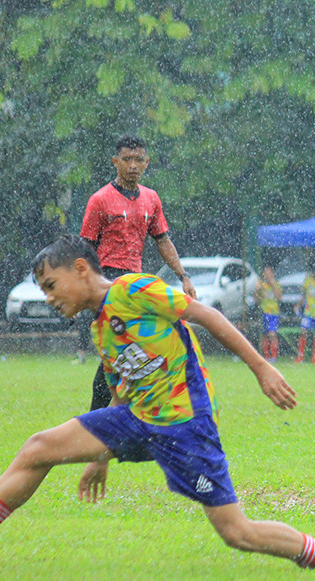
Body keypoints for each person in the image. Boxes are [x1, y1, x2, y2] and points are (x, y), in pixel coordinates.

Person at [0, 235, 315, 572]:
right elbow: (121, 388)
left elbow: (207, 315)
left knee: (237, 533)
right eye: (43, 289)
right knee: (38, 448)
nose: (49, 297)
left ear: (80, 269)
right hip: (136, 420)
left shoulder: (133, 291)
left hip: (185, 425)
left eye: (50, 284)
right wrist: (99, 455)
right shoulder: (100, 326)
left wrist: (261, 368)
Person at [80, 134, 196, 411]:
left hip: (136, 282)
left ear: (146, 163)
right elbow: (85, 250)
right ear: (115, 161)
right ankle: (104, 415)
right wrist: (87, 289)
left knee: (130, 350)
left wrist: (183, 276)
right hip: (107, 280)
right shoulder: (100, 200)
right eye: (127, 159)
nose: (133, 165)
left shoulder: (151, 199)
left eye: (138, 159)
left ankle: (114, 414)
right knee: (121, 351)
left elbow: (163, 240)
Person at [255, 265, 282, 363]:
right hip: (264, 312)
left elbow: (279, 297)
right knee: (264, 334)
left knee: (272, 334)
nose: (267, 275)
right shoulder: (261, 285)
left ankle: (274, 357)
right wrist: (257, 290)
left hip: (273, 312)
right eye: (266, 273)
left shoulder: (277, 284)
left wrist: (273, 284)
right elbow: (256, 300)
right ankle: (266, 356)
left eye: (269, 273)